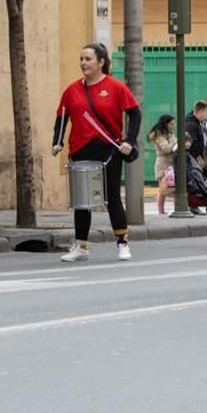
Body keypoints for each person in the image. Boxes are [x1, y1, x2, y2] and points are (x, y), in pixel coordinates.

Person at [51, 42, 140, 262]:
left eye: (88, 59)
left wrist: (129, 140)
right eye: (81, 59)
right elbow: (62, 117)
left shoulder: (116, 87)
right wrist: (57, 142)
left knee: (111, 197)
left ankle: (122, 243)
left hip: (109, 149)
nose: (83, 63)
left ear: (101, 62)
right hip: (80, 148)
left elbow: (135, 114)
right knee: (82, 201)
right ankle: (81, 247)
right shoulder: (71, 90)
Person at [147, 114, 177, 215]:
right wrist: (174, 141)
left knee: (173, 187)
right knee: (163, 188)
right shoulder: (159, 136)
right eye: (172, 124)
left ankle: (173, 209)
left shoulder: (169, 134)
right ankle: (161, 211)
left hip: (170, 162)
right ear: (166, 124)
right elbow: (166, 149)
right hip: (163, 163)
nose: (173, 126)